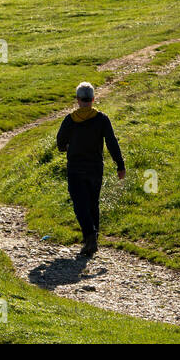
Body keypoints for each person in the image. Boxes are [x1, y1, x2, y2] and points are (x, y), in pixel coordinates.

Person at [55, 82, 125, 256]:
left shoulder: (70, 119)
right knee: (93, 203)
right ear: (93, 99)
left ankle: (90, 236)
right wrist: (120, 164)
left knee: (80, 205)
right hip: (95, 167)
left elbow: (60, 143)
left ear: (78, 100)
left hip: (76, 167)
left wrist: (67, 147)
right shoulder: (102, 119)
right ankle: (92, 240)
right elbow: (112, 143)